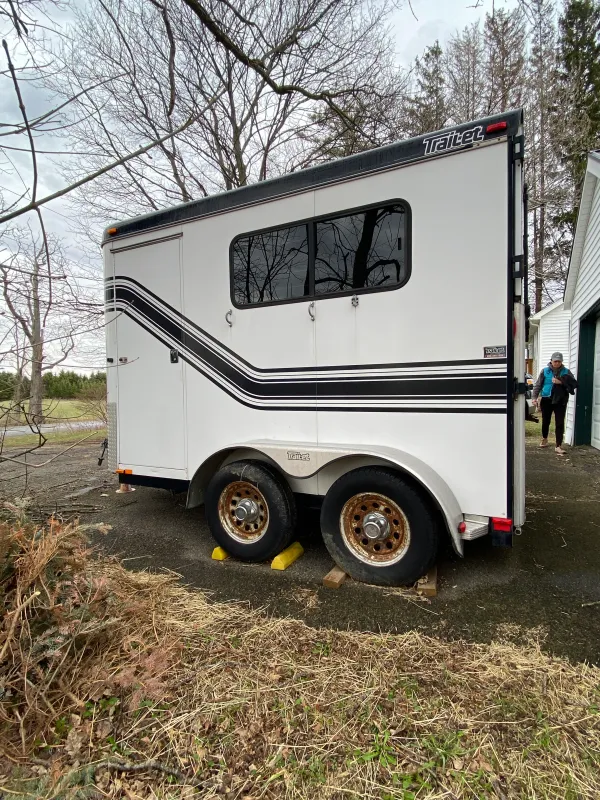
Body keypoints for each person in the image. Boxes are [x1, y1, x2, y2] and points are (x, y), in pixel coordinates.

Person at [532, 352, 578, 456]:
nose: (557, 363)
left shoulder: (566, 372)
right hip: (546, 399)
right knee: (546, 420)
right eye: (555, 361)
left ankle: (558, 445)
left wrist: (561, 382)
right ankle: (544, 438)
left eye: (559, 361)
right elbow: (538, 385)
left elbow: (573, 384)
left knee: (559, 422)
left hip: (560, 400)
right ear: (551, 361)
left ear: (561, 362)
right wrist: (534, 397)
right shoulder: (545, 371)